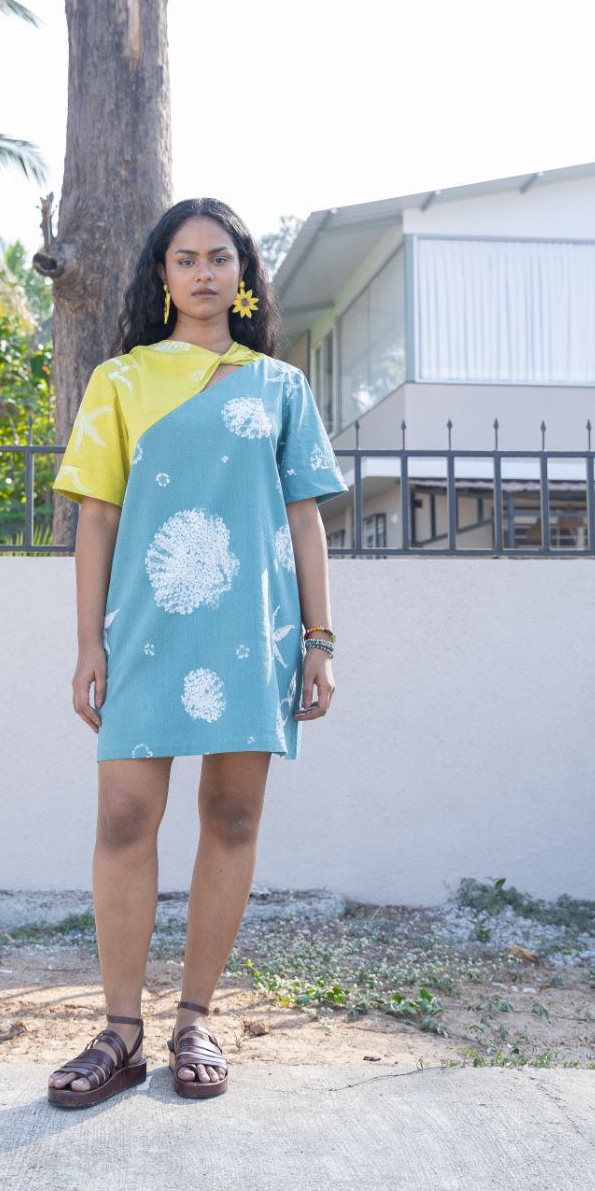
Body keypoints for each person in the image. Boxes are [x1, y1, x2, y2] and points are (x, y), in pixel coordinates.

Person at [46, 198, 348, 1107]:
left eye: (221, 257)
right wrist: (88, 642)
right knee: (123, 818)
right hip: (146, 630)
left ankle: (194, 1021)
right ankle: (120, 1032)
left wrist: (319, 640)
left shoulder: (281, 388)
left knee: (234, 817)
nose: (205, 273)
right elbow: (97, 519)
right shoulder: (120, 381)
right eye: (186, 259)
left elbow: (304, 520)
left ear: (244, 274)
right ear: (163, 275)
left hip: (254, 631)